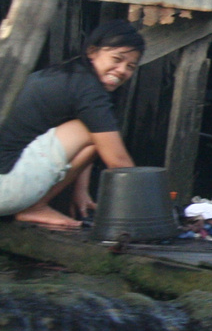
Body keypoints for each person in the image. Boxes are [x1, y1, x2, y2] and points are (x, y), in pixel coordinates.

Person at [0, 20, 143, 229]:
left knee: (96, 133)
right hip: (6, 191)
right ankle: (34, 207)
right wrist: (152, 214)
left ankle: (34, 205)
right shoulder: (88, 90)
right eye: (117, 59)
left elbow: (92, 141)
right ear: (92, 52)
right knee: (98, 134)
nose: (122, 70)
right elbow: (118, 161)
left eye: (130, 66)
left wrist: (81, 190)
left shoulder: (66, 75)